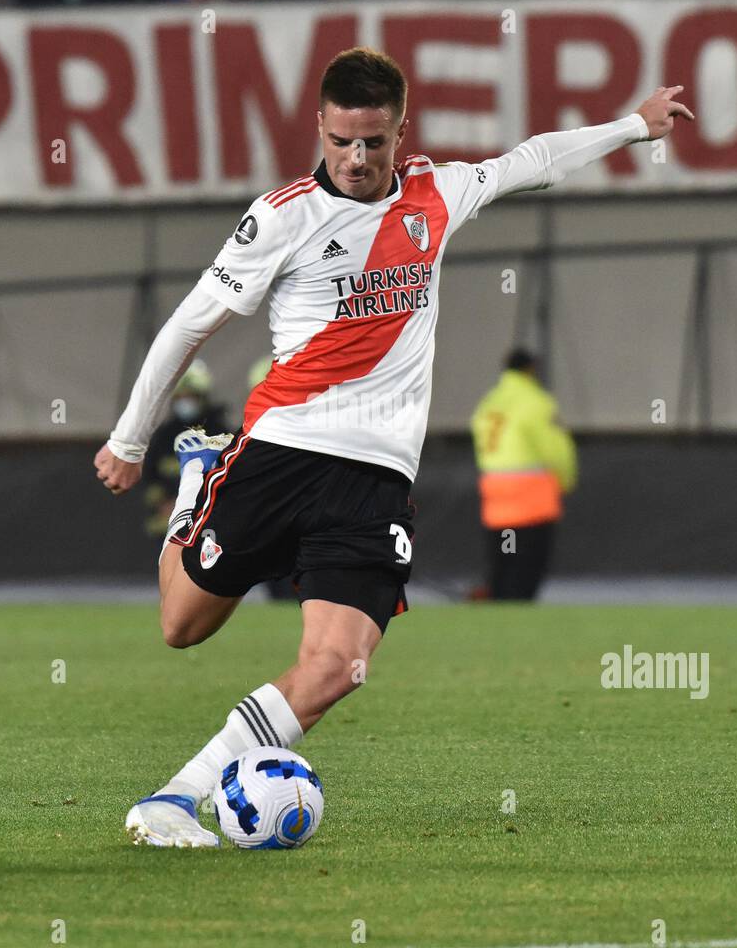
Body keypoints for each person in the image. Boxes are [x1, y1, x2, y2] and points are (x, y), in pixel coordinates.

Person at [92, 48, 693, 847]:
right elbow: (188, 326)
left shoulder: (437, 193)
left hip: (376, 478)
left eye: (375, 141)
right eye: (343, 140)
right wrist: (131, 439)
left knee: (338, 668)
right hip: (283, 452)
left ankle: (174, 798)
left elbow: (532, 160)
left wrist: (633, 127)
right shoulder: (282, 216)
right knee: (183, 626)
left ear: (400, 132)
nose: (358, 158)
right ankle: (200, 482)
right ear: (320, 127)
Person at [470, 349, 576, 600]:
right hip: (531, 495)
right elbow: (555, 448)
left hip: (495, 492)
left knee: (502, 560)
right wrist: (566, 479)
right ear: (531, 369)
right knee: (528, 566)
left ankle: (497, 604)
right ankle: (517, 609)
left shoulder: (489, 402)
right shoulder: (536, 401)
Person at [141, 361, 231, 542]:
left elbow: (228, 476)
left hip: (210, 523)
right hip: (167, 525)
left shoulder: (220, 433)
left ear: (202, 397)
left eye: (191, 397)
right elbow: (150, 476)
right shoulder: (163, 436)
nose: (185, 402)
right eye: (180, 397)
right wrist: (164, 503)